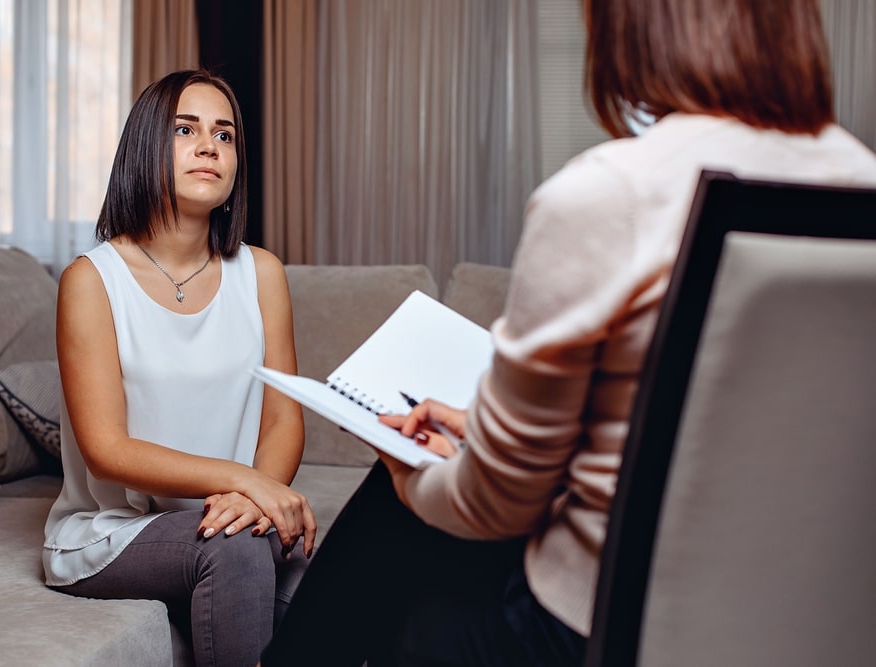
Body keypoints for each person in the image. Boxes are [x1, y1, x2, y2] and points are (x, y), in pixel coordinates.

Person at [259, 1, 876, 665]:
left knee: (403, 534)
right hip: (812, 625)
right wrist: (487, 433)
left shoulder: (610, 193)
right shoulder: (861, 179)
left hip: (604, 631)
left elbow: (492, 507)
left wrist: (405, 465)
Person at [42, 69, 316, 667]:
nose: (208, 146)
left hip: (235, 517)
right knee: (237, 548)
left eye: (224, 134)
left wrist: (256, 498)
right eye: (185, 130)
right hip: (114, 531)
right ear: (145, 147)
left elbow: (282, 422)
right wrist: (246, 483)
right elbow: (107, 450)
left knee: (323, 573)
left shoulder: (262, 273)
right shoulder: (91, 280)